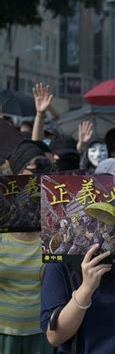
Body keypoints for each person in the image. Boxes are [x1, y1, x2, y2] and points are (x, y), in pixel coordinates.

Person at [0, 144, 54, 354]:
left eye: (45, 170)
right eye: (33, 170)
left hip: (42, 332)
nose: (38, 179)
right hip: (4, 332)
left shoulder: (57, 227)